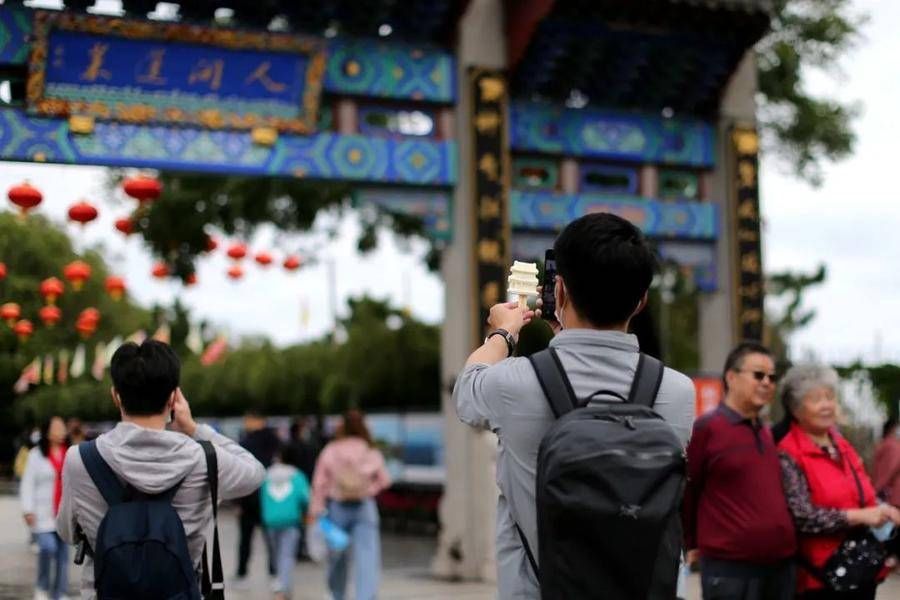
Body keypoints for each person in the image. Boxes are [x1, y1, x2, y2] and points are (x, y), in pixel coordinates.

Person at [454, 212, 696, 598]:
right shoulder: (676, 391)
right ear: (642, 301)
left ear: (560, 291)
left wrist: (503, 331)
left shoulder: (515, 383)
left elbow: (467, 390)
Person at [57, 340, 266, 600]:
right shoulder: (203, 459)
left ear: (115, 395)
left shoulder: (80, 459)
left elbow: (66, 531)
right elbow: (255, 471)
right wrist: (193, 428)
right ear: (173, 398)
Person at [682, 342, 798, 600]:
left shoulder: (767, 433)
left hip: (780, 568)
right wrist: (689, 543)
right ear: (731, 377)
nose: (767, 382)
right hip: (731, 571)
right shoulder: (707, 429)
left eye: (772, 377)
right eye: (758, 374)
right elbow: (688, 490)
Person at [776, 364, 900, 599]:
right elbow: (803, 517)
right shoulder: (789, 453)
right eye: (816, 399)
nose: (826, 405)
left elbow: (864, 494)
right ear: (796, 408)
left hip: (860, 568)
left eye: (830, 397)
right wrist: (859, 516)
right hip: (821, 576)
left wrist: (883, 511)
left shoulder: (840, 444)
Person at [309, 409, 391, 600]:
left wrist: (316, 510)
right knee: (367, 557)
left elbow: (319, 483)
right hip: (365, 507)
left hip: (338, 508)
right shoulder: (369, 450)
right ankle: (366, 595)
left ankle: (337, 594)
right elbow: (385, 480)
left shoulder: (331, 450)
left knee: (337, 557)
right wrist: (368, 490)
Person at [20, 416, 70, 600]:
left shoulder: (71, 453)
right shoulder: (36, 455)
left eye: (62, 427)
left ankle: (60, 593)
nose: (60, 430)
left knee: (64, 556)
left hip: (65, 513)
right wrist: (27, 509)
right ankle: (42, 586)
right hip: (43, 513)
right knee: (48, 548)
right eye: (56, 427)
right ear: (47, 432)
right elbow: (27, 483)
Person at [234, 411, 281, 587]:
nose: (245, 423)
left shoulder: (245, 443)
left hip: (248, 497)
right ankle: (274, 573)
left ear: (257, 420)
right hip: (271, 496)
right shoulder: (275, 440)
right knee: (271, 538)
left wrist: (237, 502)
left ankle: (242, 574)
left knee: (246, 539)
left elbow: (239, 472)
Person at [261, 446, 310, 600]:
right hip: (291, 521)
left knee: (275, 555)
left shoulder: (266, 475)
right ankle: (282, 589)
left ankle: (279, 583)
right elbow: (306, 499)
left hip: (270, 521)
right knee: (287, 555)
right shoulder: (298, 476)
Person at [873, 417, 900, 560]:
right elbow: (888, 469)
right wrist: (877, 488)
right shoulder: (892, 445)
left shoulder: (888, 444)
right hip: (892, 492)